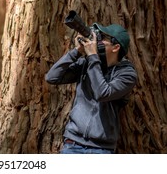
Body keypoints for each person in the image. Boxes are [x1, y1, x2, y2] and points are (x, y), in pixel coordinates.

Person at [45, 23, 137, 154]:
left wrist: (93, 56)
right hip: (73, 144)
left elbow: (102, 93)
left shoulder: (127, 74)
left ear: (116, 47)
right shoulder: (87, 64)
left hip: (101, 149)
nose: (97, 41)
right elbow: (52, 77)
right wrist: (77, 52)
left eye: (103, 38)